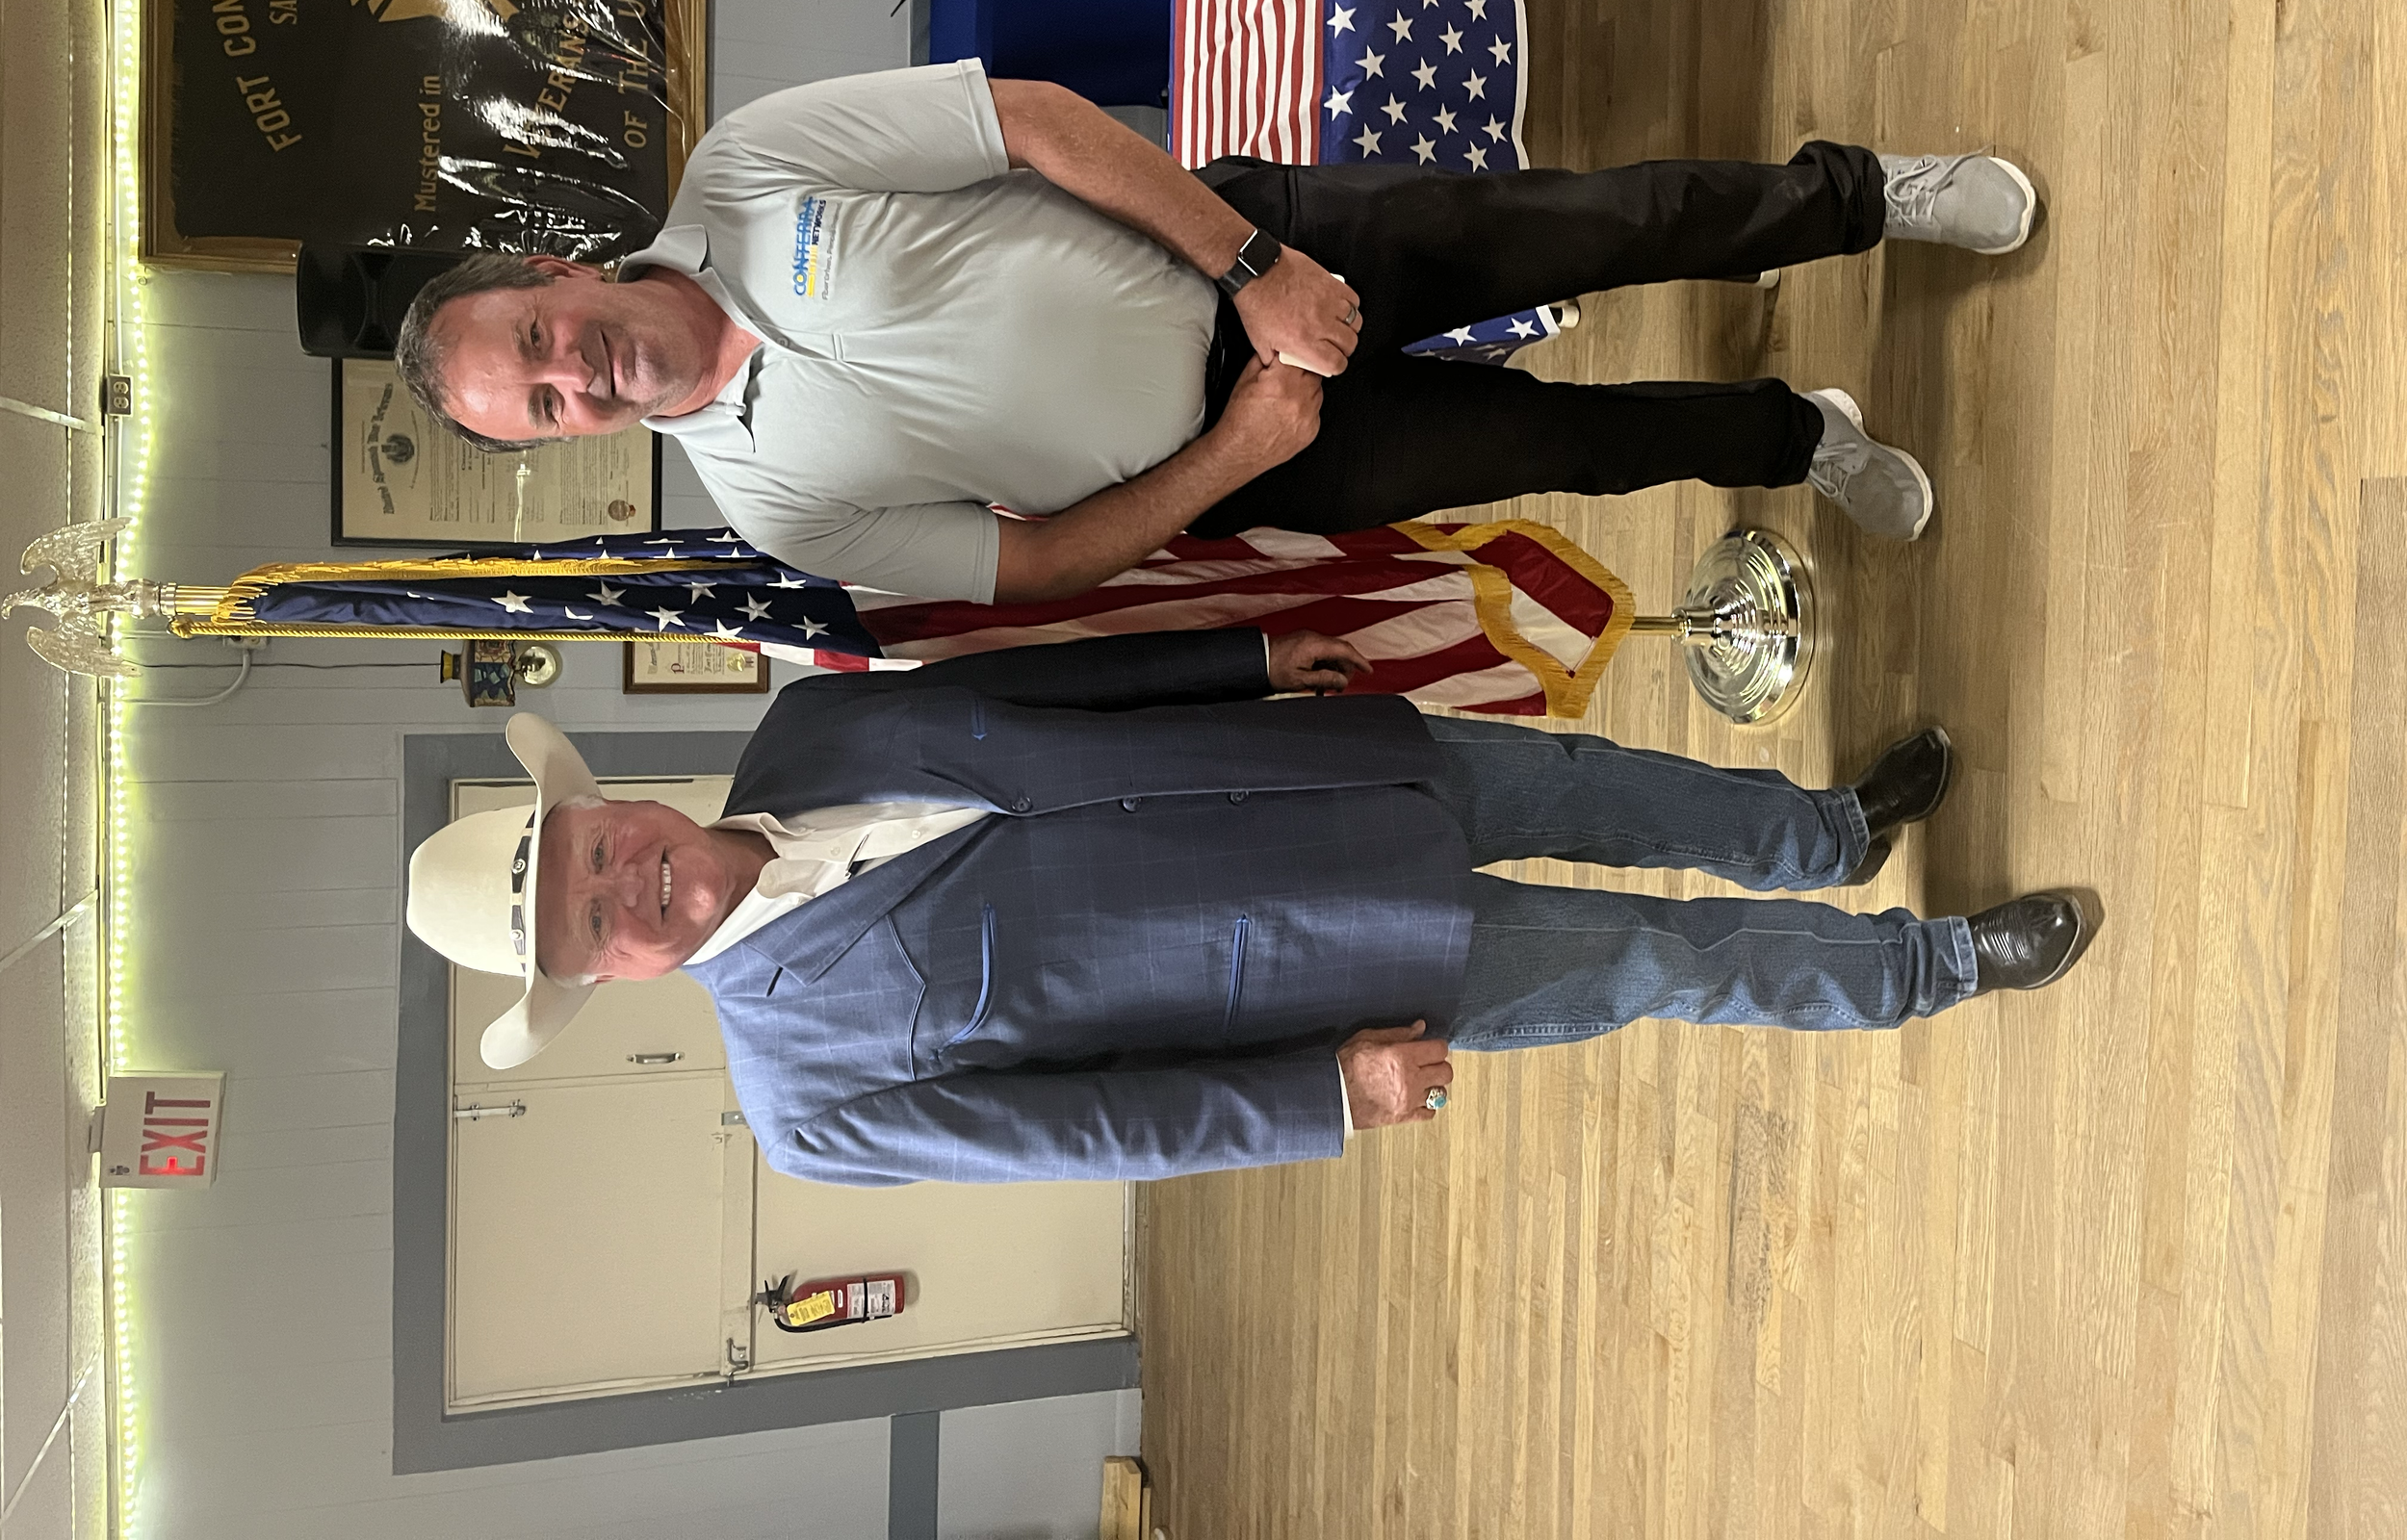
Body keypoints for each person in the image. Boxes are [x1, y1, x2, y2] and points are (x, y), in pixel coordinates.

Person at [404, 629, 2096, 1188]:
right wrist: (1319, 1097)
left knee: (1601, 786)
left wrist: (1247, 658)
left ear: (604, 802)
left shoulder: (802, 728)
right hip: (1322, 965)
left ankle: (1826, 831)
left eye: (591, 847)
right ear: (601, 975)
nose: (625, 882)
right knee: (1652, 958)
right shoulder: (805, 1102)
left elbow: (1052, 685)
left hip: (1310, 766)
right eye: (589, 921)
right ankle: (1930, 964)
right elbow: (1085, 1134)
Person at [391, 64, 2039, 602]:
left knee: (1608, 226)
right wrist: (1238, 449)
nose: (565, 375)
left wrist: (1254, 268)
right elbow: (1035, 561)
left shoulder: (747, 166)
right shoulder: (768, 506)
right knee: (1567, 445)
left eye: (535, 336)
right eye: (536, 405)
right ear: (557, 439)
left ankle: (1864, 198)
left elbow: (1032, 120)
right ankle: (1800, 436)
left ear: (549, 266)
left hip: (1268, 249)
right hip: (1254, 450)